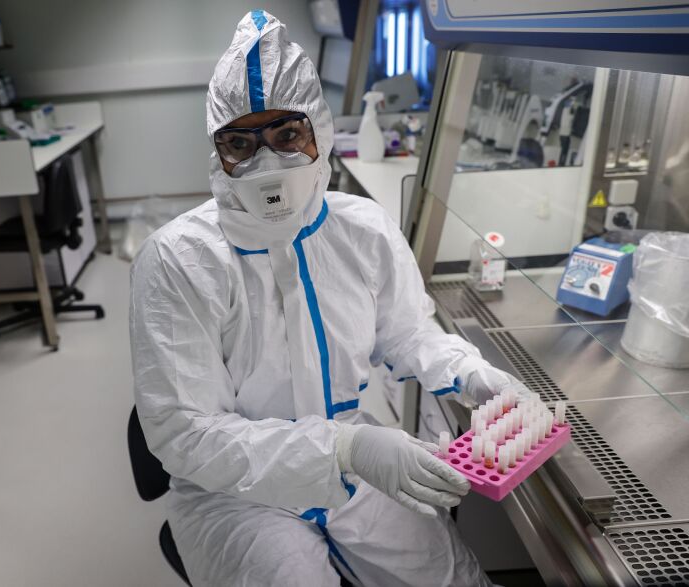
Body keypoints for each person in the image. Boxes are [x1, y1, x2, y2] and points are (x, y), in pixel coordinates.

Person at [131, 10, 530, 586]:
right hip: (234, 492)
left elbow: (406, 332)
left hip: (360, 471)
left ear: (318, 127)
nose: (267, 162)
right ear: (217, 153)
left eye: (287, 135)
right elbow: (185, 432)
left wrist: (470, 373)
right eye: (240, 143)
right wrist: (347, 446)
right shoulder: (177, 260)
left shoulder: (361, 228)